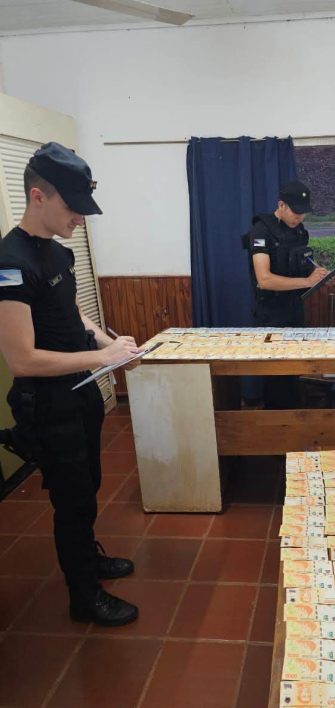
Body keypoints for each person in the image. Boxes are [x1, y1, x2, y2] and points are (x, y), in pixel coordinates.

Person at [0, 142, 142, 626]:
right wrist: (103, 357)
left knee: (89, 485)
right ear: (38, 196)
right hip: (48, 403)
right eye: (73, 207)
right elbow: (21, 359)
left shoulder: (58, 253)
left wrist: (110, 342)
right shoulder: (11, 264)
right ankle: (84, 596)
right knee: (72, 499)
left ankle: (87, 556)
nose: (80, 218)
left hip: (80, 391)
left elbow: (73, 314)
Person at [246, 180, 328, 407]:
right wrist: (307, 281)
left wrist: (317, 273)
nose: (300, 217)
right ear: (281, 205)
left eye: (303, 213)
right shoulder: (261, 231)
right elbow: (264, 280)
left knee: (294, 372)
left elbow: (302, 264)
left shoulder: (299, 231)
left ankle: (292, 418)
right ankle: (276, 422)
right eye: (296, 212)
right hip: (271, 315)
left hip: (295, 311)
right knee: (276, 376)